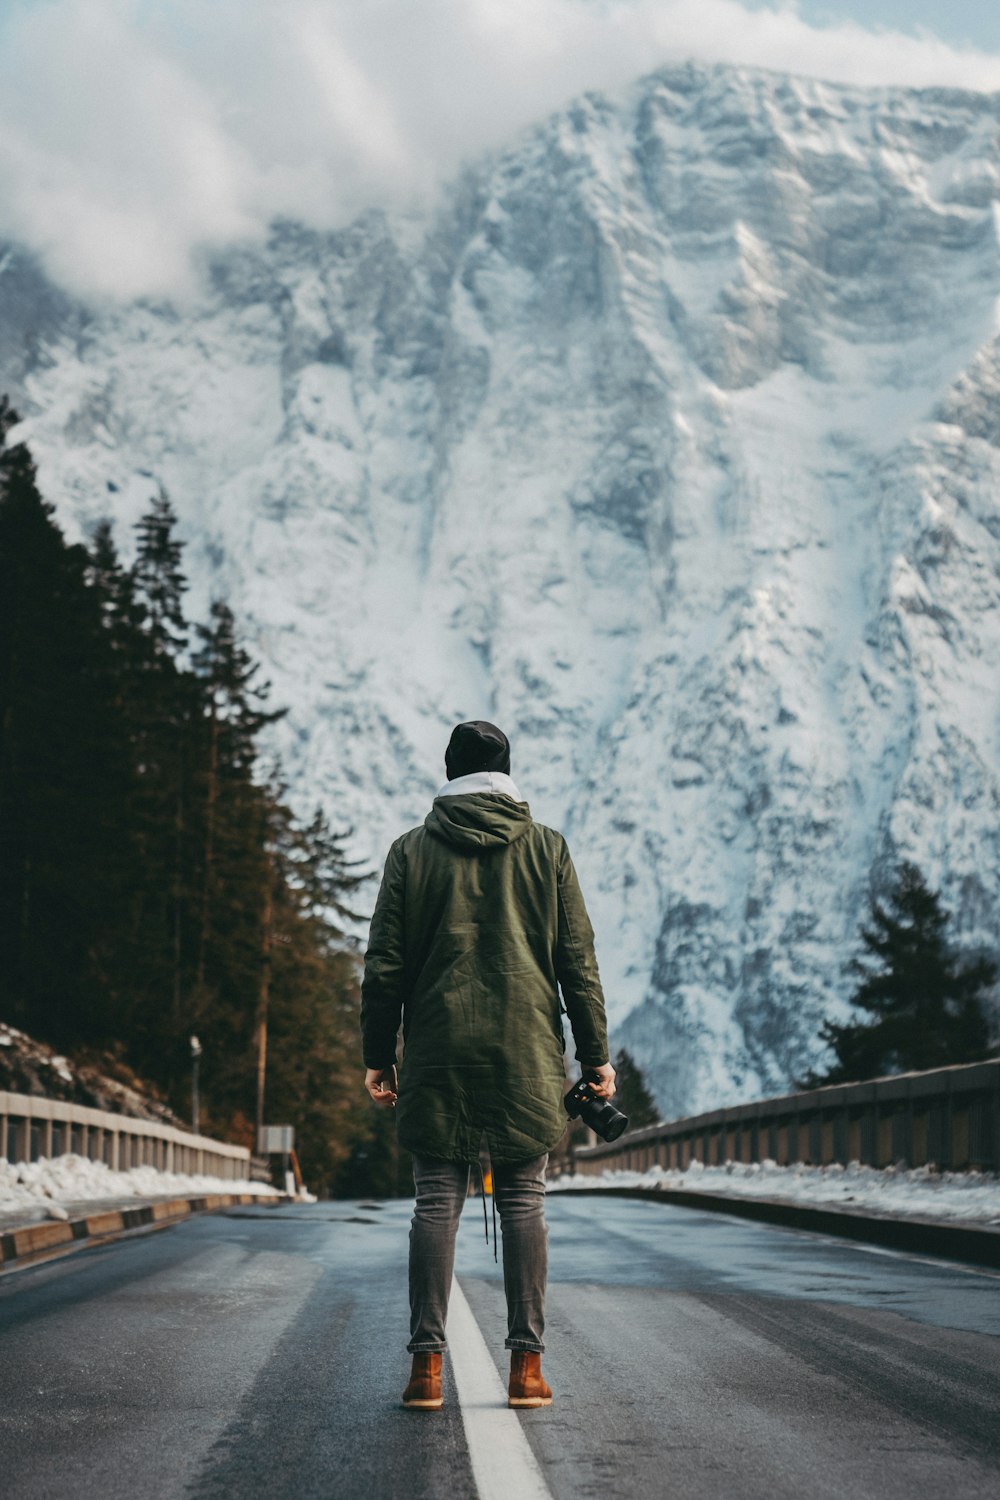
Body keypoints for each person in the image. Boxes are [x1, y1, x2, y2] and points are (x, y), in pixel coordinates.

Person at [360, 719, 615, 1411]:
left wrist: (378, 1056)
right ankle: (526, 1370)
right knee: (524, 1201)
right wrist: (594, 1057)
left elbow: (383, 966)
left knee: (435, 1204)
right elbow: (577, 965)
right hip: (526, 1056)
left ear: (449, 774)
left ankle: (426, 1372)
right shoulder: (548, 850)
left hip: (438, 1054)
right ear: (508, 772)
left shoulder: (411, 852)